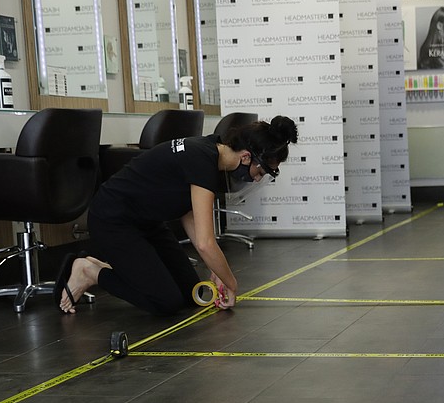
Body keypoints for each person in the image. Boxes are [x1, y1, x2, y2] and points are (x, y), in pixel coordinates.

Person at [54, 116, 298, 315]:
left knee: (190, 293)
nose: (258, 178)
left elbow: (190, 216)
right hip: (114, 220)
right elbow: (204, 243)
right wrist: (231, 284)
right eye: (262, 170)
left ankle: (104, 266)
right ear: (246, 157)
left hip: (148, 222)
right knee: (164, 302)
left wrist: (217, 269)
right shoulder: (202, 159)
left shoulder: (212, 151)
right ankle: (89, 271)